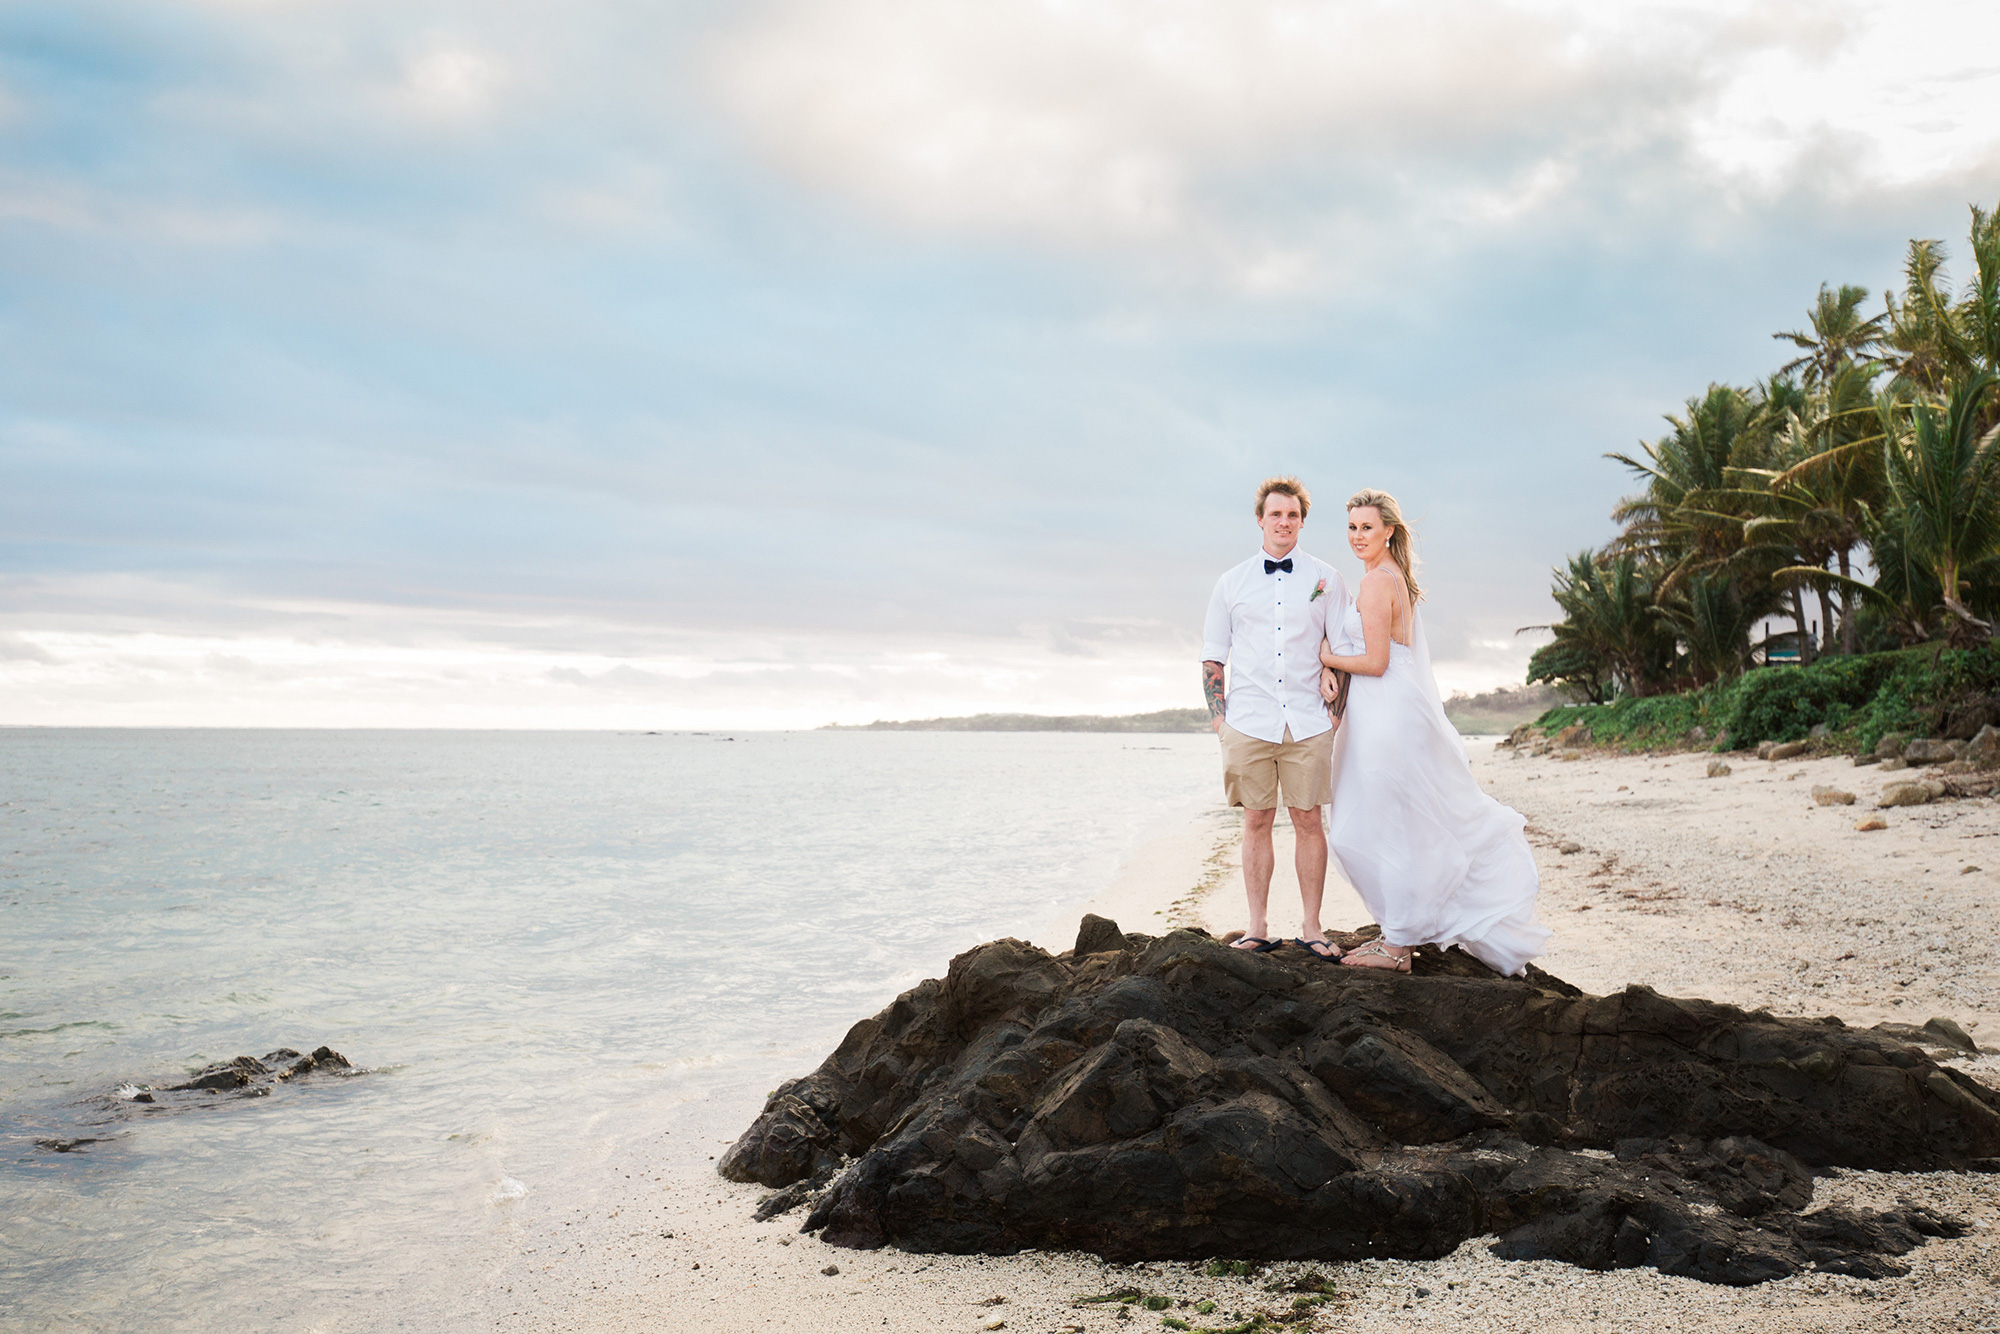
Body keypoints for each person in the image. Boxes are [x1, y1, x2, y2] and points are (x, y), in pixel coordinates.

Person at [1317, 489, 1550, 974]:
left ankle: (1398, 944)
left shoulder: (1377, 584)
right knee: (1392, 819)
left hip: (1386, 714)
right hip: (1391, 709)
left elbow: (1376, 662)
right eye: (1352, 528)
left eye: (1367, 527)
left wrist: (1327, 657)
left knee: (1373, 823)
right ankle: (1397, 932)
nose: (1358, 536)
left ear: (1389, 531)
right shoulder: (1393, 577)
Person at [1200, 477, 1350, 960]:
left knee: (1309, 820)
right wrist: (1220, 722)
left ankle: (1312, 926)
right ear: (1260, 520)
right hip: (1247, 722)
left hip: (1309, 721)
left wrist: (1335, 713)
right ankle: (1257, 926)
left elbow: (1342, 649)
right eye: (1275, 514)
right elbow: (1212, 658)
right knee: (1256, 821)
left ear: (1302, 521)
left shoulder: (1327, 579)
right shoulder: (1232, 582)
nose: (1284, 522)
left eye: (1292, 515)